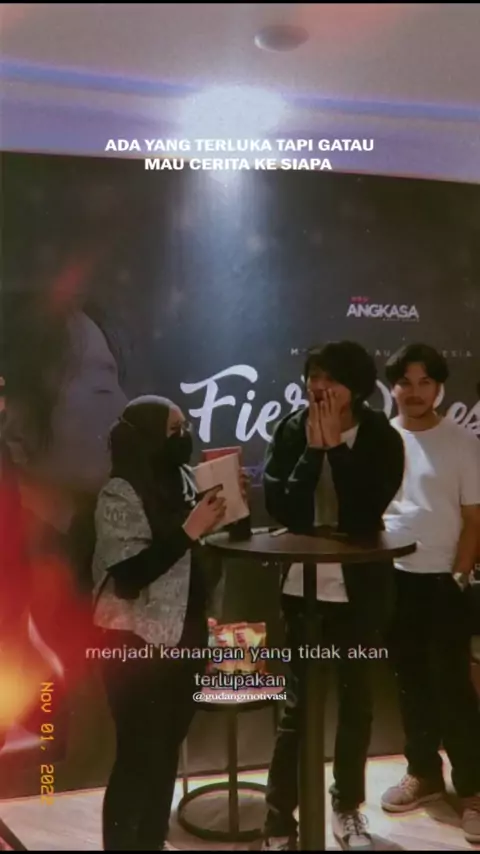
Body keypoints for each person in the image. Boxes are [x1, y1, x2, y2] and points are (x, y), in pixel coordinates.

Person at [261, 341, 405, 852]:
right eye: (314, 377)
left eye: (332, 379)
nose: (319, 388)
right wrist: (312, 452)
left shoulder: (381, 436)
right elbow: (283, 509)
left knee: (356, 701)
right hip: (302, 590)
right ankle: (279, 821)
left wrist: (337, 451)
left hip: (360, 590)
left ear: (356, 388)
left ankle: (346, 809)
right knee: (298, 708)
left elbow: (365, 510)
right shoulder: (290, 429)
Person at [92, 395, 229, 851]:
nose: (184, 437)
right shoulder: (120, 492)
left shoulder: (186, 479)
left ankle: (151, 842)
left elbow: (207, 550)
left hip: (186, 635)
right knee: (138, 756)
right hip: (132, 643)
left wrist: (229, 511)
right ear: (147, 438)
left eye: (185, 427)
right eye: (174, 430)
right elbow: (130, 574)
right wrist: (191, 530)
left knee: (167, 749)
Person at [380, 344, 480, 845]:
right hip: (392, 579)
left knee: (453, 689)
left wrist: (457, 578)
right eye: (405, 382)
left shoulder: (462, 442)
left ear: (439, 387)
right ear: (392, 387)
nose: (415, 392)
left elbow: (474, 520)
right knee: (409, 684)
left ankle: (474, 790)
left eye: (425, 382)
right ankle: (423, 773)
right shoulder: (380, 440)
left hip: (444, 581)